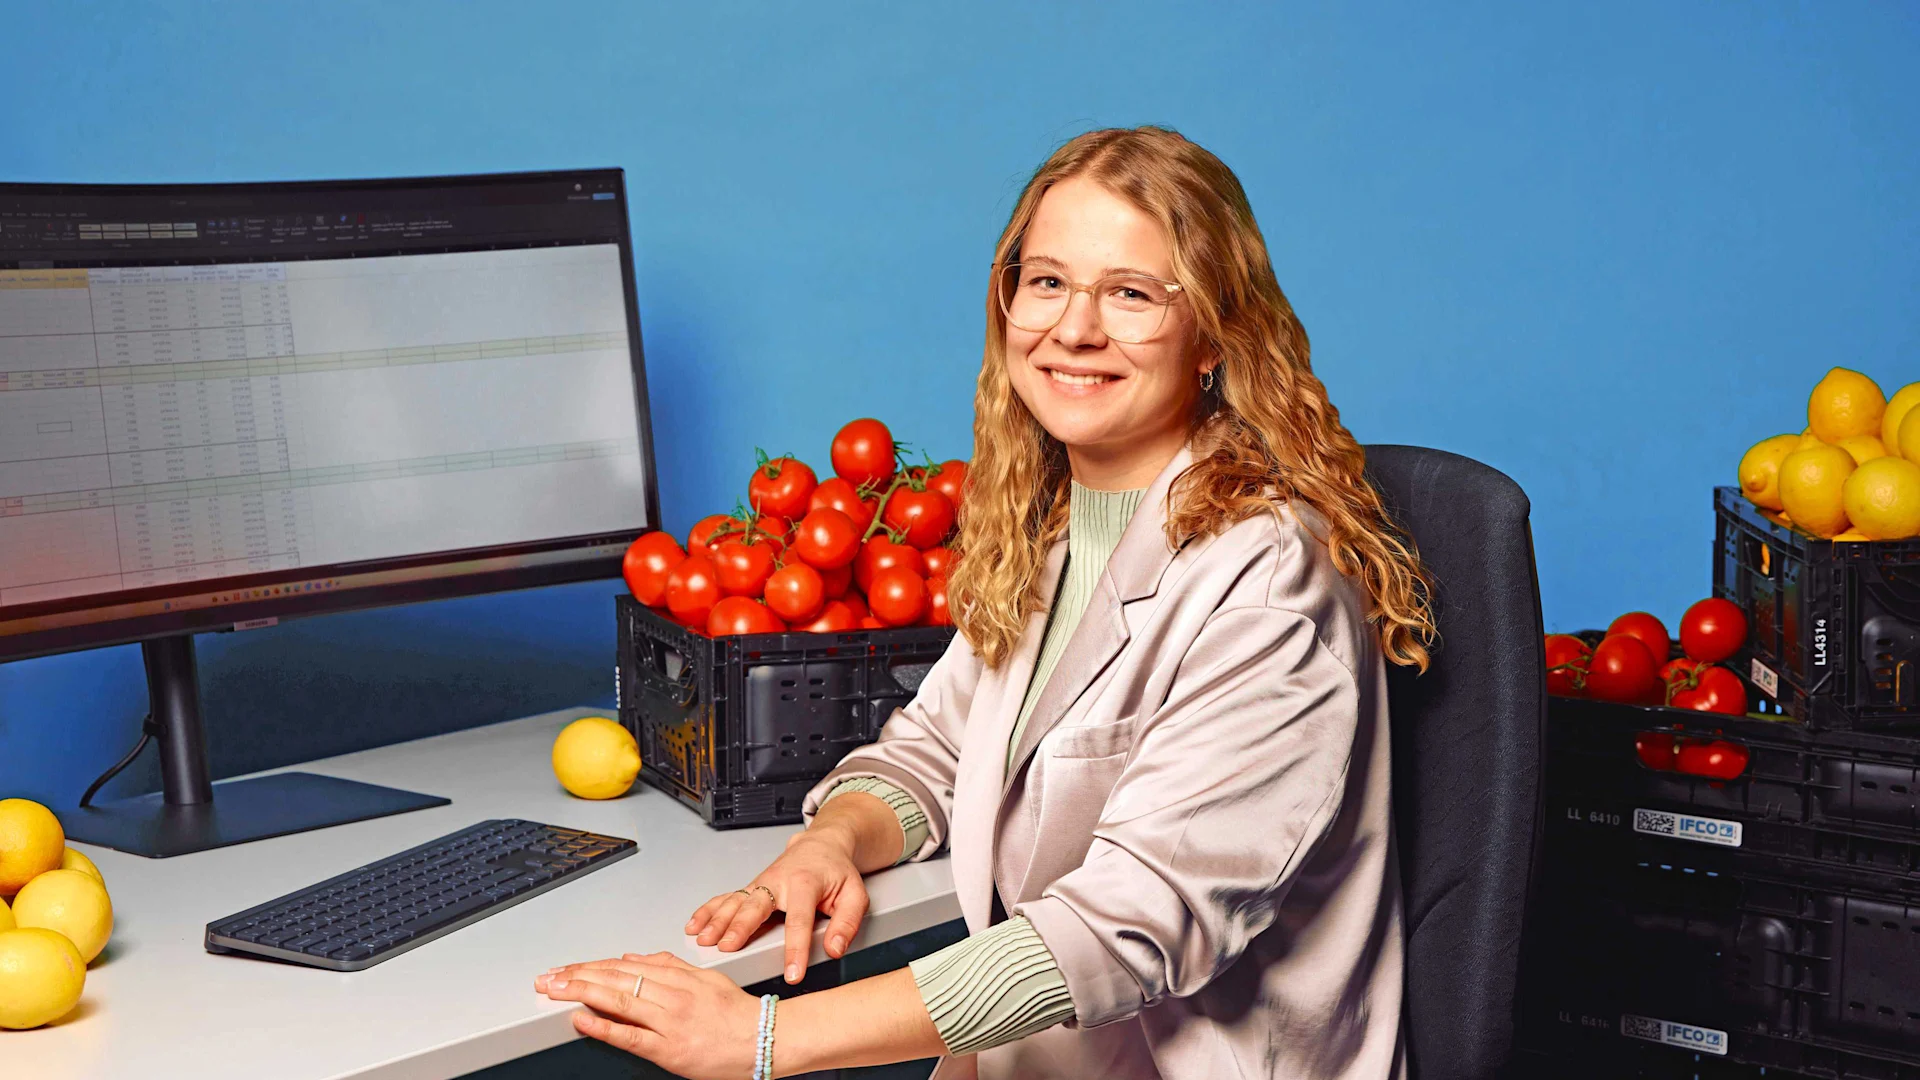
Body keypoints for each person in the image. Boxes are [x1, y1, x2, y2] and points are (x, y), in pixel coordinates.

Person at [535, 125, 1436, 1080]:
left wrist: (765, 1039)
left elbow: (1128, 928)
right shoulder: (1056, 527)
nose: (1074, 329)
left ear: (1214, 332)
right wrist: (834, 839)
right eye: (1046, 282)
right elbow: (937, 751)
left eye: (1131, 294)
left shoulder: (1268, 585)